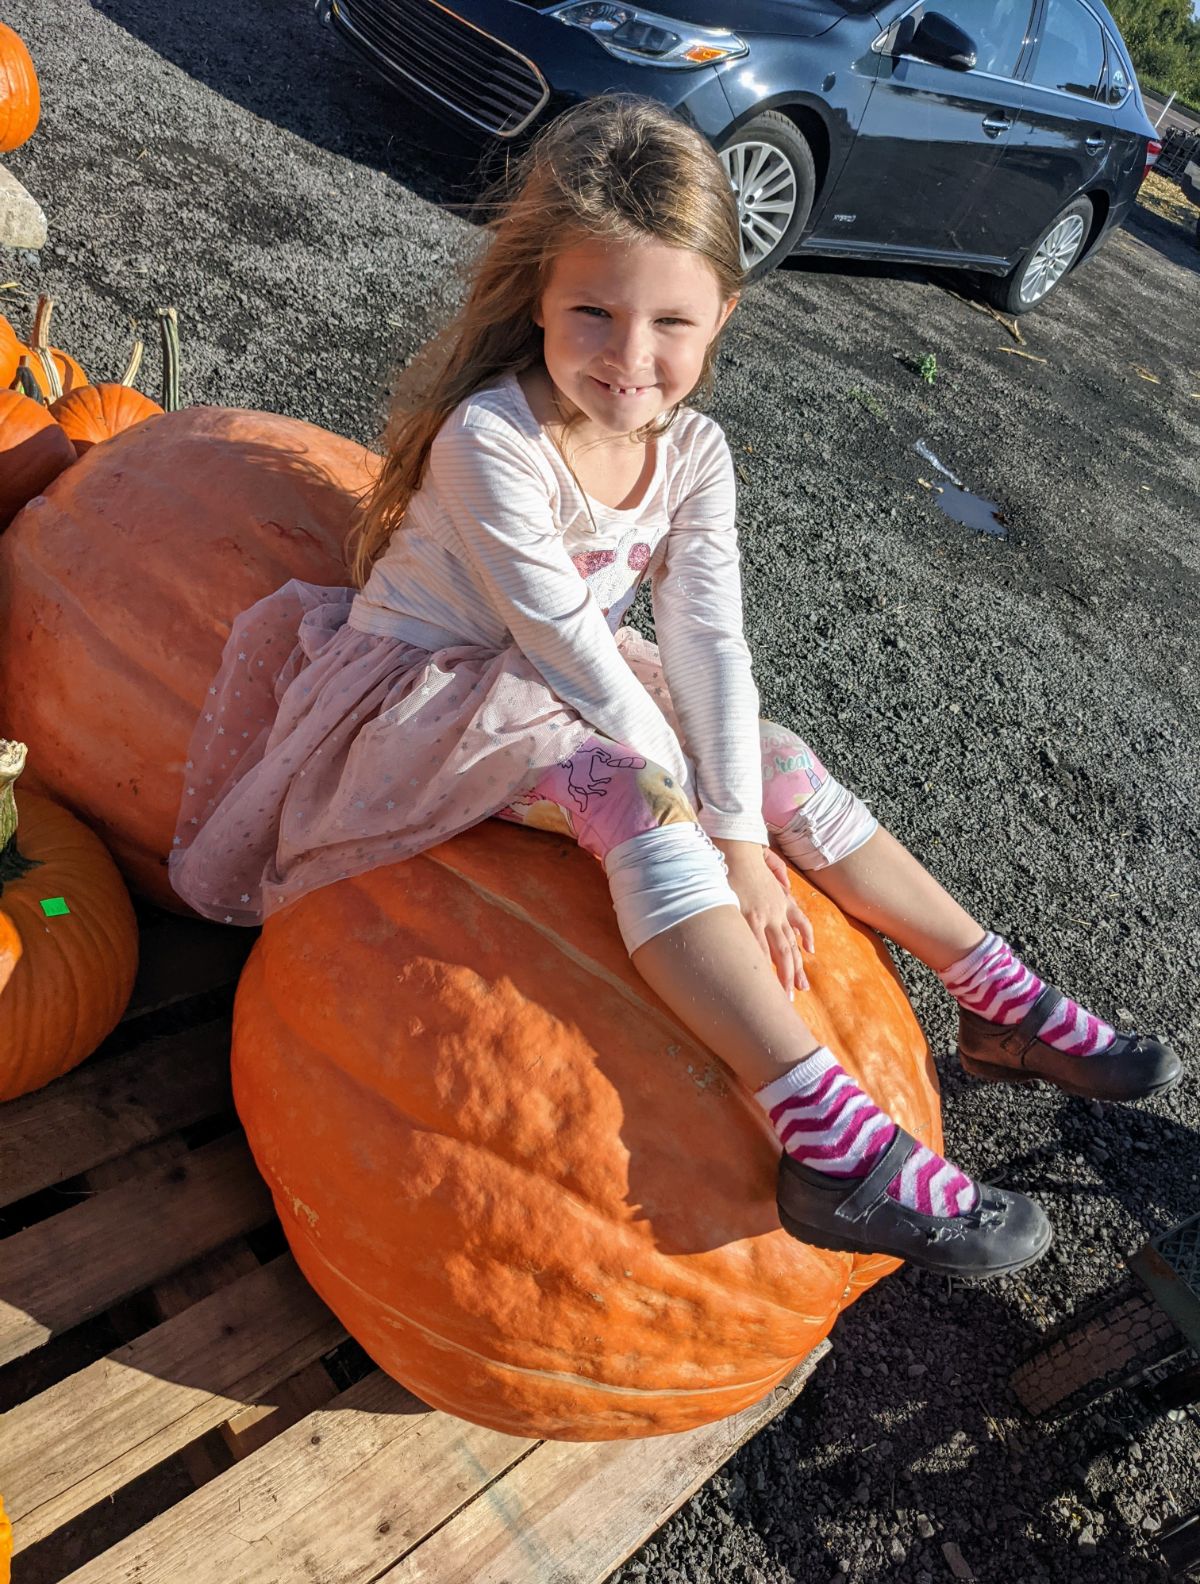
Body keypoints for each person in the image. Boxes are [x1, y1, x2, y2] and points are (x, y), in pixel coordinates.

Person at [169, 95, 1181, 1280]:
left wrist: (746, 833)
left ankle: (993, 993)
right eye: (591, 312)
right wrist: (713, 831)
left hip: (564, 679)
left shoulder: (696, 453)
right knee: (632, 788)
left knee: (776, 755)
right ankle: (820, 1126)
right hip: (430, 690)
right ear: (539, 298)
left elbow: (708, 642)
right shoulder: (490, 440)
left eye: (670, 323)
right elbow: (572, 651)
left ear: (724, 317)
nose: (629, 357)